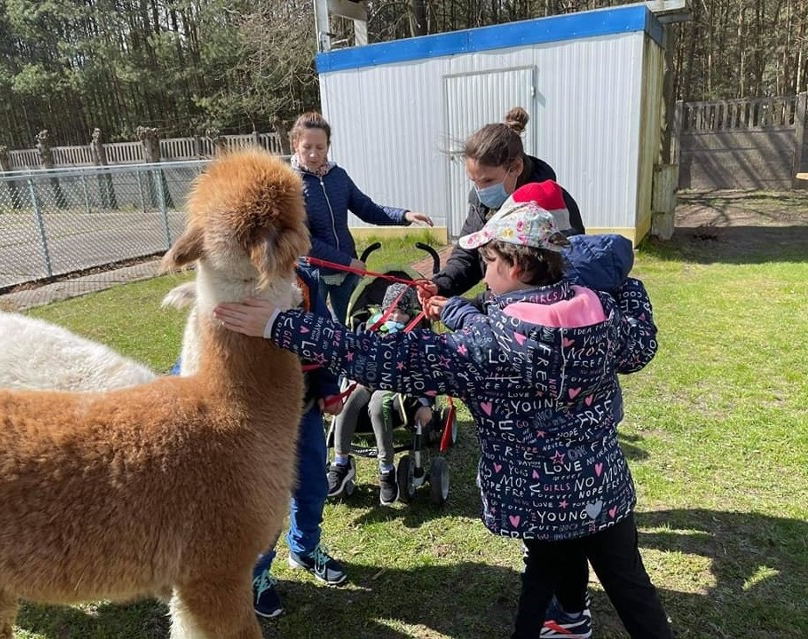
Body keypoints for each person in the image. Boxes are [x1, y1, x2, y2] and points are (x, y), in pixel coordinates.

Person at [214, 204, 673, 639]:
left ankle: (561, 621)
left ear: (513, 267)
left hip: (539, 499)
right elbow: (640, 341)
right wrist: (624, 283)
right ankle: (576, 623)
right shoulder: (600, 314)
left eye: (488, 260)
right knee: (630, 584)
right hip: (602, 489)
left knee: (538, 586)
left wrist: (281, 325)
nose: (484, 271)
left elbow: (378, 356)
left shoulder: (484, 352)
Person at [173, 264, 349, 619]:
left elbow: (324, 337)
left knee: (314, 483)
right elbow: (200, 347)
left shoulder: (305, 281)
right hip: (253, 422)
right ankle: (256, 572)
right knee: (263, 500)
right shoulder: (227, 283)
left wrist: (329, 389)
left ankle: (305, 547)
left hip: (302, 408)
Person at [289, 111, 433, 323]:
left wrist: (404, 215)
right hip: (313, 273)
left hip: (347, 273)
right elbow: (305, 241)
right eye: (307, 147)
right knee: (318, 330)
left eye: (320, 147)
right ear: (295, 144)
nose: (313, 154)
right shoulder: (290, 184)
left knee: (351, 325)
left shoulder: (339, 176)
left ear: (328, 146)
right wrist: (347, 261)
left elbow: (367, 208)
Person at [431, 107, 585, 304]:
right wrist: (440, 285)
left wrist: (474, 305)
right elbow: (466, 257)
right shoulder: (481, 204)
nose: (480, 190)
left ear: (516, 168)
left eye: (487, 181)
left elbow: (539, 281)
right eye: (473, 181)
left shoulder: (552, 206)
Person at [326, 282, 434, 506]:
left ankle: (387, 469)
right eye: (392, 311)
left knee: (378, 405)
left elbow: (426, 371)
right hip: (364, 380)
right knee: (347, 402)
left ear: (410, 313)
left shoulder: (415, 334)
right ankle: (341, 462)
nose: (395, 317)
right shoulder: (367, 327)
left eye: (402, 312)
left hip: (393, 386)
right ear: (383, 309)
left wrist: (425, 403)